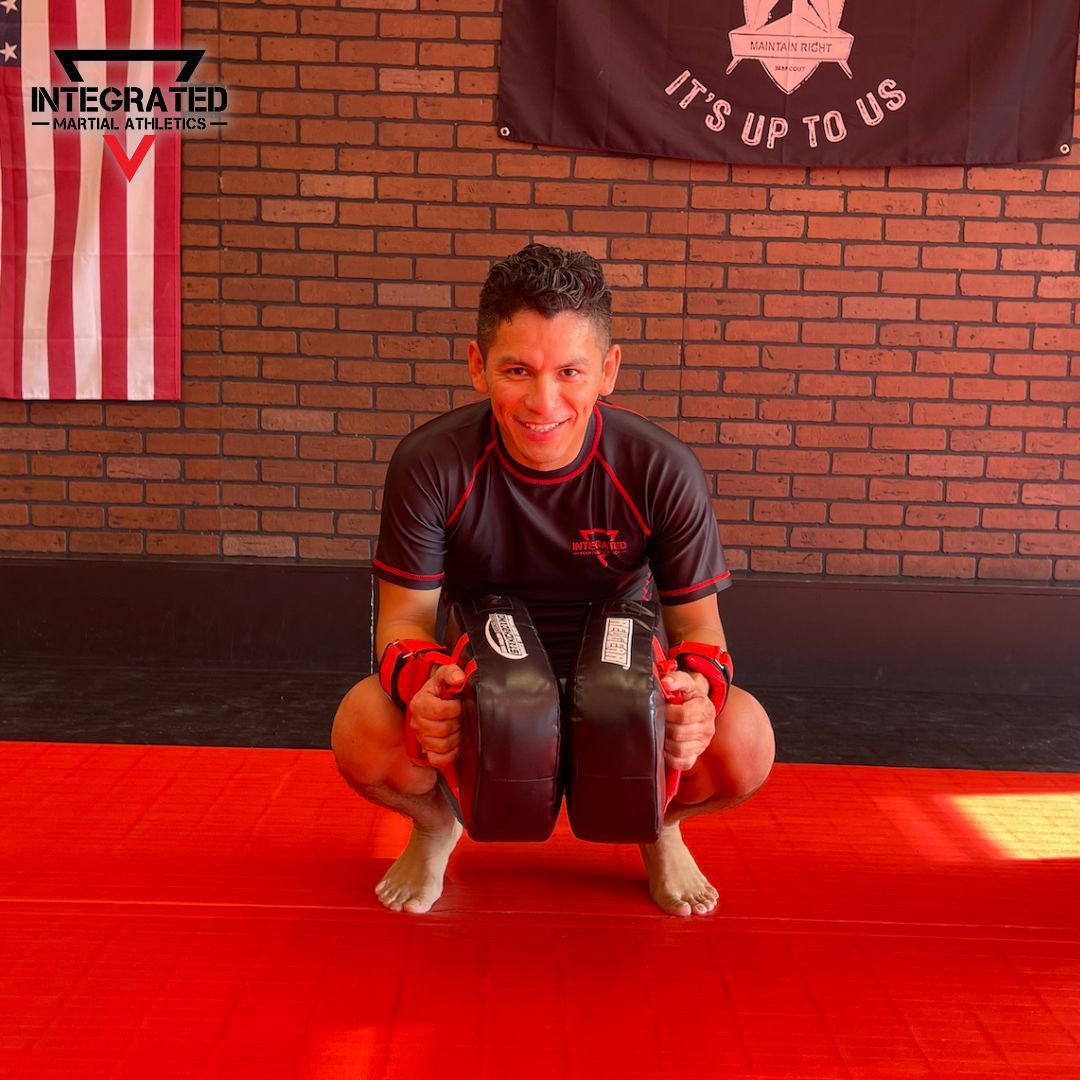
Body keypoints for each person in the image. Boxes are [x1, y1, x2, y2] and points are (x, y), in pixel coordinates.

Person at [331, 244, 775, 917]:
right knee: (361, 726)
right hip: (488, 685)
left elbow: (700, 630)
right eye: (518, 370)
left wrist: (695, 696)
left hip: (621, 680)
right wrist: (426, 689)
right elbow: (402, 622)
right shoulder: (431, 464)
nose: (544, 401)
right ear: (478, 367)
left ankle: (662, 830)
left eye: (570, 371)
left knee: (745, 739)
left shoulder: (660, 468)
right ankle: (434, 826)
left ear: (608, 369)